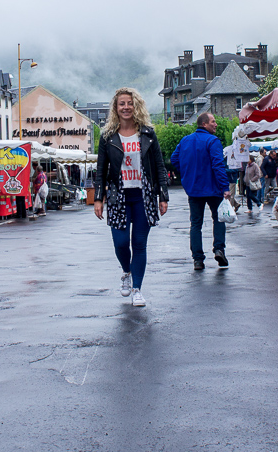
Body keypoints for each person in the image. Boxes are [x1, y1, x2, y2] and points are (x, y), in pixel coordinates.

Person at [94, 87, 169, 307]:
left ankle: (137, 288)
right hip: (118, 196)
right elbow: (101, 170)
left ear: (136, 106)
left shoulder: (147, 133)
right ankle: (126, 272)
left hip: (142, 196)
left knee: (139, 243)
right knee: (120, 244)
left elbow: (159, 166)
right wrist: (99, 198)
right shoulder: (108, 136)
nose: (126, 107)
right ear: (115, 108)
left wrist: (162, 195)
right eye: (122, 104)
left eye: (130, 103)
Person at [171, 112, 231, 270]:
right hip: (213, 188)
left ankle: (198, 259)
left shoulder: (185, 140)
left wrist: (186, 173)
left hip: (194, 189)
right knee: (218, 219)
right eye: (213, 121)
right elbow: (218, 165)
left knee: (195, 224)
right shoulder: (213, 141)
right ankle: (219, 249)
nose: (216, 124)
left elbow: (174, 159)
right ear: (204, 124)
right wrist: (225, 187)